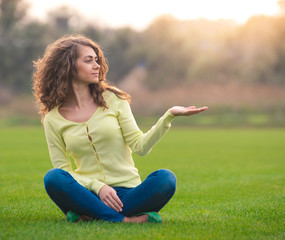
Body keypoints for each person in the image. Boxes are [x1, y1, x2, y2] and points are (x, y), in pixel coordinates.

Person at [32, 35, 208, 224]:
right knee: (53, 177)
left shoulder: (114, 100)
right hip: (87, 193)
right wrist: (97, 186)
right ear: (68, 66)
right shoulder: (53, 119)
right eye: (88, 60)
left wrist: (169, 116)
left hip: (127, 194)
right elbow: (62, 169)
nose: (97, 65)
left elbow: (140, 147)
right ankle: (126, 220)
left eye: (97, 60)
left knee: (166, 178)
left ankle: (90, 215)